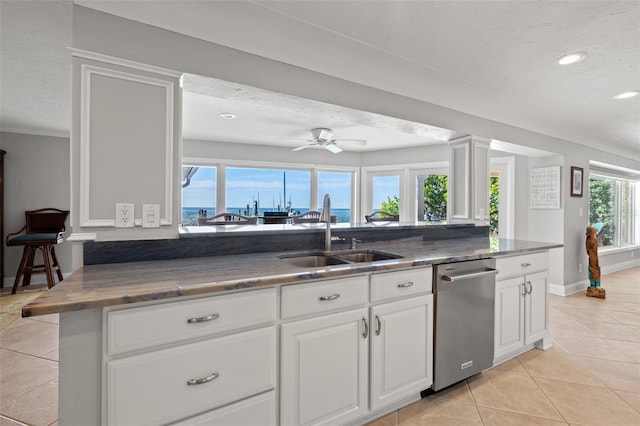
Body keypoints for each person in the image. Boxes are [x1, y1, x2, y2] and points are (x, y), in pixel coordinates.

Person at [585, 226, 606, 298]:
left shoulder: (591, 240)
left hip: (594, 259)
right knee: (594, 271)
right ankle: (594, 286)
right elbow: (592, 249)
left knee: (595, 270)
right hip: (593, 260)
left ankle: (595, 286)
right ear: (591, 233)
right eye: (595, 232)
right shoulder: (592, 241)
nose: (596, 234)